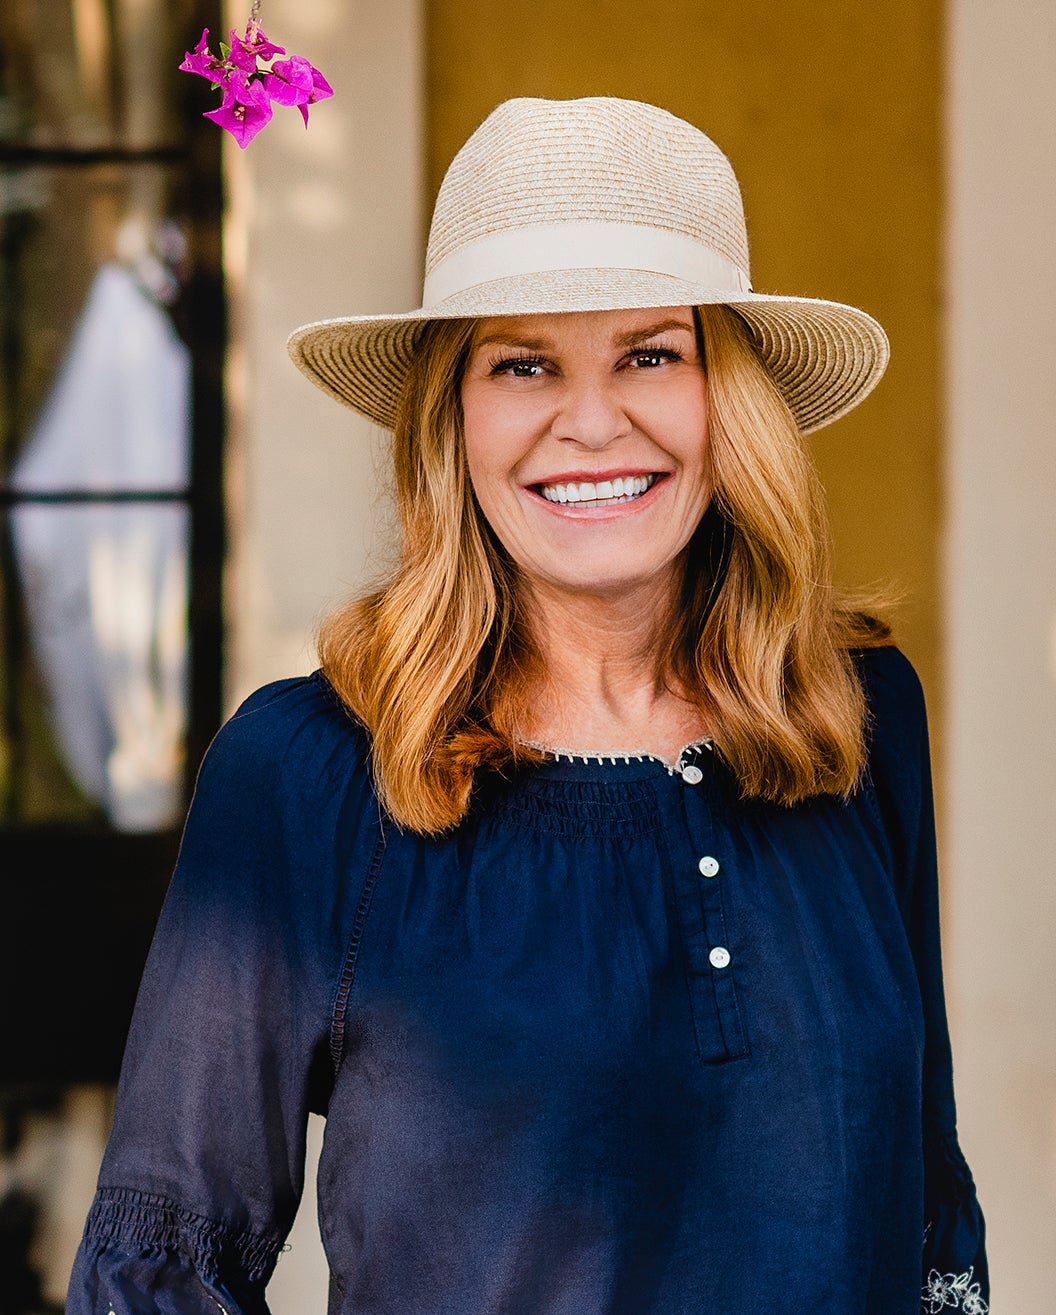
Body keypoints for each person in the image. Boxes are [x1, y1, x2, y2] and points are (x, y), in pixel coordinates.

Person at [65, 95, 989, 1315]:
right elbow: (160, 1265)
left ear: (732, 402)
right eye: (523, 363)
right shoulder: (308, 773)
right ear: (453, 416)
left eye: (651, 352)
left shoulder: (852, 716)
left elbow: (930, 1218)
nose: (592, 421)